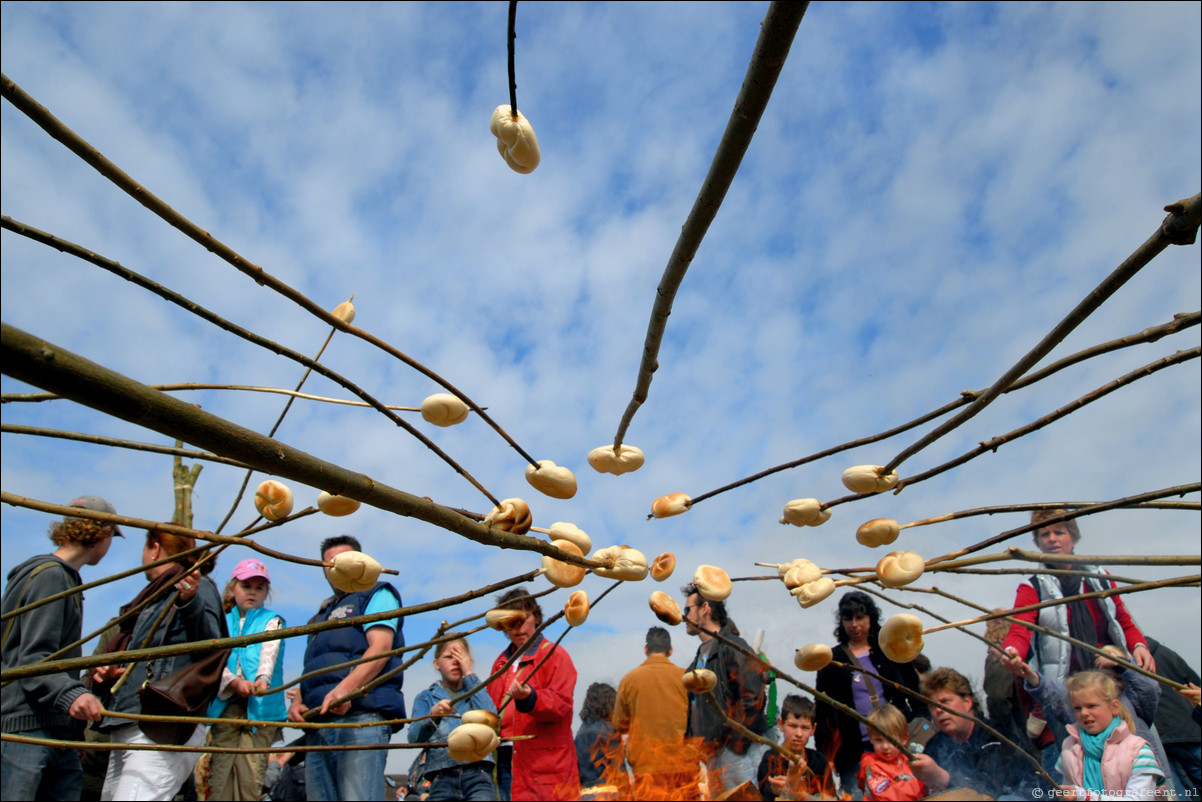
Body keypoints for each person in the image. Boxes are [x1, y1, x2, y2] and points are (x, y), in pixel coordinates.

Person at [1, 495, 121, 802]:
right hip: (26, 731)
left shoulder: (63, 579)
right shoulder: (52, 577)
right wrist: (75, 695)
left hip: (56, 733)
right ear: (103, 535)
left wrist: (73, 731)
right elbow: (35, 661)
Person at [93, 528, 225, 800]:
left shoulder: (199, 586)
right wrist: (113, 674)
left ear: (154, 546)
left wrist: (191, 603)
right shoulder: (153, 596)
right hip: (130, 718)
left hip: (162, 723)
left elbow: (213, 647)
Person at [288, 534, 406, 802]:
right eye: (329, 564)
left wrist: (346, 689)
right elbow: (317, 669)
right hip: (319, 724)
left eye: (342, 561)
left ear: (361, 562)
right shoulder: (319, 616)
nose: (335, 568)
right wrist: (298, 699)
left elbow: (381, 647)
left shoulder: (378, 593)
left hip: (360, 718)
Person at [1001, 510, 1155, 680]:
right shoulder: (1032, 588)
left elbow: (1123, 622)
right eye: (1044, 534)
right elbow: (1019, 629)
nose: (1052, 538)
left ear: (1073, 539)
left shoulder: (1099, 580)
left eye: (1059, 532)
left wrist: (1139, 646)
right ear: (1038, 543)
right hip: (1063, 684)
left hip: (1110, 678)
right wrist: (1011, 651)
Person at [813, 591, 922, 798]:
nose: (854, 624)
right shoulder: (831, 660)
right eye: (848, 619)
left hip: (896, 743)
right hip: (853, 751)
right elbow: (823, 712)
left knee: (906, 793)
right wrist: (827, 756)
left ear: (871, 618)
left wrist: (921, 720)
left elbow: (915, 691)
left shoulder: (890, 648)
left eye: (860, 617)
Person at [487, 587, 579, 801]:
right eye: (511, 622)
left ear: (536, 617)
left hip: (543, 766)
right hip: (504, 760)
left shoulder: (554, 655)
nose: (518, 628)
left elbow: (562, 704)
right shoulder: (500, 663)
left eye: (524, 618)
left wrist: (531, 698)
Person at [206, 558, 287, 801]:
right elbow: (214, 657)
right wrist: (233, 682)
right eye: (246, 585)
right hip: (226, 704)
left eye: (259, 587)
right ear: (233, 588)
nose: (252, 592)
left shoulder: (273, 621)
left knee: (250, 777)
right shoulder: (221, 620)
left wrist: (262, 680)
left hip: (259, 709)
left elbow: (269, 652)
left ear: (266, 592)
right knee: (219, 775)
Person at [681, 582, 771, 798]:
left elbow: (753, 696)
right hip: (711, 757)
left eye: (688, 610)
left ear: (705, 609)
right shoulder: (697, 661)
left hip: (734, 755)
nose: (683, 616)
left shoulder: (732, 647)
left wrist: (732, 744)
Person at [909, 667, 1042, 797]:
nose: (938, 710)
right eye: (932, 706)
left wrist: (942, 778)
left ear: (967, 702)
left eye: (945, 701)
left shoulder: (996, 738)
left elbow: (988, 792)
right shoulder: (934, 746)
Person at [613, 626, 700, 800]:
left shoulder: (629, 680)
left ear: (646, 649)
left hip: (647, 769)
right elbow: (698, 721)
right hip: (684, 766)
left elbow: (619, 724)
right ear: (671, 650)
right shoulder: (686, 677)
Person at [407, 636, 498, 801]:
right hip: (442, 776)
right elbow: (413, 738)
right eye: (449, 657)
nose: (455, 662)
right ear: (436, 663)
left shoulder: (475, 691)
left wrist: (470, 673)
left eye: (460, 656)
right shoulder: (426, 698)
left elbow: (491, 716)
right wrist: (432, 717)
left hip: (478, 773)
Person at [1055, 670, 1166, 800]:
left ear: (1114, 707)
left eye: (1092, 706)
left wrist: (1086, 797)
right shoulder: (1069, 747)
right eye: (1078, 708)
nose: (1084, 713)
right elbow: (1069, 790)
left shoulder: (1138, 750)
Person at [1146, 636, 1201, 794]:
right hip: (1189, 729)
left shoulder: (1122, 664)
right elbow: (1194, 682)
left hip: (1158, 740)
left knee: (1176, 791)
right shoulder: (1165, 653)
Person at [756, 695, 835, 801]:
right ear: (781, 724)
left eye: (805, 728)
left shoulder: (819, 762)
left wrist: (795, 789)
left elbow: (831, 797)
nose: (799, 734)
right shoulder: (770, 760)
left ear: (813, 729)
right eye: (793, 726)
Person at [857, 704, 925, 801]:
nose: (885, 747)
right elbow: (887, 797)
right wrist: (922, 785)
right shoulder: (872, 765)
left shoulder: (905, 759)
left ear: (904, 738)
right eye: (879, 740)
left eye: (891, 740)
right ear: (871, 738)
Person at [576, 682, 627, 799]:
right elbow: (619, 770)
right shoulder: (609, 731)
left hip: (585, 794)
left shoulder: (581, 732)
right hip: (609, 793)